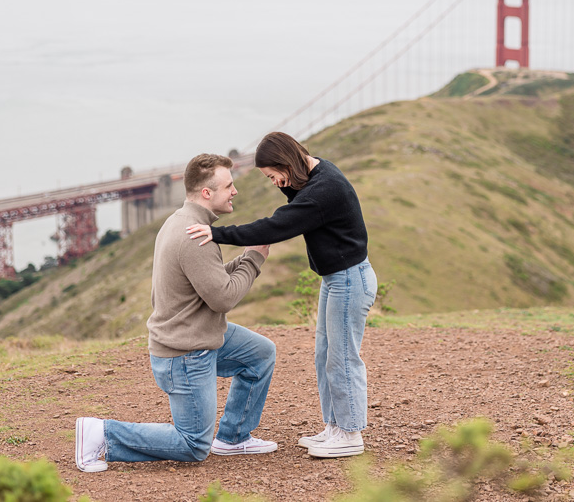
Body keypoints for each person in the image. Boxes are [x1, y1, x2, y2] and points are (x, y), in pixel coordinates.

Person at [74, 153, 277, 473]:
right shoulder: (194, 235)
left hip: (199, 335)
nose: (235, 191)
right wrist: (254, 259)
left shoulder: (183, 221)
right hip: (185, 353)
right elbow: (223, 298)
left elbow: (208, 281)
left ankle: (234, 436)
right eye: (229, 185)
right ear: (207, 193)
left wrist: (246, 256)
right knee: (194, 443)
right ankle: (102, 433)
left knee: (260, 353)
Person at [186, 132, 376, 459]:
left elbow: (277, 226)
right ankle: (335, 427)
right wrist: (286, 177)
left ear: (287, 163)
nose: (275, 183)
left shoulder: (323, 191)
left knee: (342, 356)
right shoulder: (315, 173)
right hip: (335, 278)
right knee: (325, 354)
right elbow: (294, 195)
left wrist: (217, 233)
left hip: (350, 279)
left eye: (274, 176)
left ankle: (350, 433)